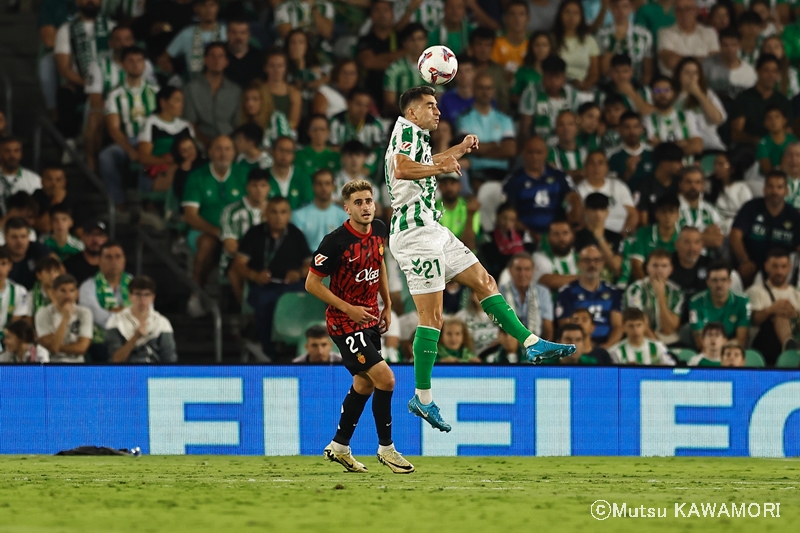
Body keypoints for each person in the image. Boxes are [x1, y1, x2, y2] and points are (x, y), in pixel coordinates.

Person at [384, 86, 575, 431]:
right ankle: (422, 399)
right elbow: (401, 169)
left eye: (437, 104)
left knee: (484, 281)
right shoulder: (406, 131)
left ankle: (531, 343)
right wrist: (441, 168)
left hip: (434, 227)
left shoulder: (418, 136)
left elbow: (421, 164)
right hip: (414, 234)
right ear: (412, 112)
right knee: (433, 318)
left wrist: (457, 149)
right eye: (430, 105)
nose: (437, 111)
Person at [304, 179, 413, 474]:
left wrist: (387, 303)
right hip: (344, 322)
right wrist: (348, 309)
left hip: (370, 318)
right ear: (347, 207)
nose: (365, 207)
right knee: (386, 379)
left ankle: (339, 446)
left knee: (364, 383)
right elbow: (311, 283)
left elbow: (379, 265)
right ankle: (387, 448)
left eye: (369, 201)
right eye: (359, 203)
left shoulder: (379, 229)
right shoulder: (335, 241)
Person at [234, 196, 310, 355]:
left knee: (307, 300)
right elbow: (239, 264)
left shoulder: (295, 234)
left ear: (289, 214)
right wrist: (255, 276)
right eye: (274, 212)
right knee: (265, 302)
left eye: (283, 212)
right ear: (266, 213)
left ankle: (300, 349)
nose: (278, 217)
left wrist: (298, 273)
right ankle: (268, 351)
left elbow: (310, 264)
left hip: (291, 285)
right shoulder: (254, 233)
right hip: (262, 286)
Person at [182, 135, 248, 316]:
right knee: (207, 244)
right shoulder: (197, 176)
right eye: (218, 148)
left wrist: (230, 234)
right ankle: (197, 294)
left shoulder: (243, 174)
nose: (223, 153)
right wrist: (219, 232)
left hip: (239, 232)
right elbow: (190, 216)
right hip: (205, 230)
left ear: (234, 153)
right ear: (210, 152)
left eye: (228, 149)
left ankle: (244, 308)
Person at [100, 46, 159, 207]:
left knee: (148, 156)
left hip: (152, 141)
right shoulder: (114, 94)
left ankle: (144, 199)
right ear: (123, 64)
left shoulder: (156, 91)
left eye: (139, 61)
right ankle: (118, 201)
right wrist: (130, 149)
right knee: (106, 157)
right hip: (128, 140)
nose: (135, 65)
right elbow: (113, 128)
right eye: (131, 61)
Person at [500, 136, 583, 238]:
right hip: (524, 237)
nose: (535, 157)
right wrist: (530, 234)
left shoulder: (559, 176)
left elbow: (574, 199)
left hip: (559, 236)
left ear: (546, 153)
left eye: (539, 152)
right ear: (523, 153)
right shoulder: (513, 180)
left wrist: (572, 225)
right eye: (530, 152)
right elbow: (507, 214)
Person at [730, 171, 800, 285]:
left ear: (786, 191)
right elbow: (735, 235)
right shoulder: (751, 208)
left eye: (779, 187)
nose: (775, 191)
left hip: (782, 269)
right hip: (752, 264)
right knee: (744, 270)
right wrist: (744, 260)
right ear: (764, 189)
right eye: (770, 186)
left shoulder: (794, 216)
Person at [555, 245, 624, 348]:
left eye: (597, 260)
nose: (592, 264)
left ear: (603, 263)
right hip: (577, 348)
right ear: (578, 264)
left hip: (608, 348)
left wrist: (604, 349)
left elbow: (618, 327)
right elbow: (566, 328)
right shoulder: (566, 293)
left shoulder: (613, 292)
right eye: (587, 260)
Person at [220, 168, 270, 306]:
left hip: (269, 258)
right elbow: (230, 246)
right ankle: (247, 310)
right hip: (238, 259)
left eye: (263, 185)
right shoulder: (231, 211)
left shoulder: (275, 210)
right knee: (235, 270)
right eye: (254, 185)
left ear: (269, 187)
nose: (259, 190)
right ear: (247, 186)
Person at [456, 75, 517, 180]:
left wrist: (479, 153)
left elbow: (509, 150)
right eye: (481, 88)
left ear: (493, 91)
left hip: (501, 173)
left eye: (488, 88)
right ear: (473, 89)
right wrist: (496, 145)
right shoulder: (464, 118)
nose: (485, 92)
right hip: (474, 174)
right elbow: (466, 147)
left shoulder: (504, 119)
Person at [105, 275, 176, 364]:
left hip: (154, 373)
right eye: (138, 294)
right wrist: (135, 337)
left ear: (152, 297)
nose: (142, 299)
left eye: (146, 295)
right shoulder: (115, 321)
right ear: (130, 296)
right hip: (125, 373)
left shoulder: (162, 323)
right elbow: (115, 360)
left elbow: (169, 359)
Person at [78, 241, 131, 362]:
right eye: (108, 257)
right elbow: (96, 316)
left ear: (124, 261)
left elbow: (144, 312)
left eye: (118, 257)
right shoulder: (88, 287)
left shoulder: (135, 284)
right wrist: (124, 314)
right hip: (99, 343)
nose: (114, 261)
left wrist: (113, 311)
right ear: (99, 261)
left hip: (131, 340)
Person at [182, 42, 241, 148]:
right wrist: (208, 144)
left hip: (229, 144)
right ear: (205, 60)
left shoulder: (235, 91)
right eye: (212, 56)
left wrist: (226, 144)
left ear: (226, 62)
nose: (216, 60)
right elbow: (190, 123)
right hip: (200, 144)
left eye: (220, 56)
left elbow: (238, 124)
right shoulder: (191, 88)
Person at [746, 248, 800, 364]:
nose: (779, 271)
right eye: (775, 266)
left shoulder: (796, 294)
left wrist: (795, 315)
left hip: (794, 335)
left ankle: (790, 347)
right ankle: (789, 348)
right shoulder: (755, 291)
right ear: (766, 266)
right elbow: (754, 320)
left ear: (789, 267)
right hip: (763, 345)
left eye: (783, 266)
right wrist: (771, 309)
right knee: (779, 316)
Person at [624, 248, 683, 345]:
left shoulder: (677, 292)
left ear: (670, 269)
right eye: (655, 265)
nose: (659, 270)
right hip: (642, 337)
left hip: (668, 337)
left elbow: (669, 328)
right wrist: (659, 347)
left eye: (664, 266)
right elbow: (639, 325)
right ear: (647, 268)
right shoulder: (635, 290)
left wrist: (660, 296)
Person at [731, 54, 790, 147]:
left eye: (774, 71)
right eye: (766, 71)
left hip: (776, 148)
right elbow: (736, 133)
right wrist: (756, 140)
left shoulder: (783, 101)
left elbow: (788, 131)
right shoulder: (744, 98)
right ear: (758, 71)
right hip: (750, 147)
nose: (770, 75)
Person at [137, 87, 196, 181]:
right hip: (158, 173)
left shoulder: (186, 126)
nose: (181, 105)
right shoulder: (150, 124)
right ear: (163, 103)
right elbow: (143, 157)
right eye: (177, 100)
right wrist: (168, 161)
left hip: (185, 169)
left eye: (182, 101)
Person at [575, 151, 638, 235]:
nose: (596, 167)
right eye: (592, 163)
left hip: (621, 234)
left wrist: (625, 231)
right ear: (585, 167)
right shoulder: (577, 190)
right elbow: (578, 220)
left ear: (607, 167)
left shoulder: (619, 186)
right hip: (592, 236)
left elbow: (633, 214)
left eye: (600, 163)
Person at [689, 262, 751, 349]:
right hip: (706, 351)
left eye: (723, 280)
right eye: (714, 280)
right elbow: (699, 341)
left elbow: (741, 340)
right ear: (708, 282)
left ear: (730, 281)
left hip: (732, 351)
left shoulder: (742, 301)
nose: (719, 284)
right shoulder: (696, 302)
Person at [357, 0, 404, 111]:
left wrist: (380, 59)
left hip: (398, 93)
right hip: (372, 92)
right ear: (371, 16)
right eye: (377, 10)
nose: (382, 14)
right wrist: (399, 57)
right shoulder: (365, 39)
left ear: (393, 14)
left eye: (386, 10)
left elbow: (413, 56)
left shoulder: (402, 38)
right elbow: (369, 63)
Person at [673, 57, 728, 152]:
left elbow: (717, 120)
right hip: (683, 147)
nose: (692, 76)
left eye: (695, 73)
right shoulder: (671, 97)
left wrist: (698, 93)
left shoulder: (708, 94)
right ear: (678, 75)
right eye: (687, 72)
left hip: (710, 145)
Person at [35, 274, 93, 363]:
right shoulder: (44, 313)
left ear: (77, 293)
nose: (67, 296)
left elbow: (82, 348)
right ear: (54, 293)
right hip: (52, 363)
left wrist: (58, 347)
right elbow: (53, 349)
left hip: (78, 364)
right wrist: (65, 318)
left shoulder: (85, 313)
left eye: (71, 291)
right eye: (63, 291)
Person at [519, 55, 579, 141]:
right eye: (549, 77)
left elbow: (577, 121)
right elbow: (525, 126)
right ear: (543, 76)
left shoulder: (572, 94)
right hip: (539, 142)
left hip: (564, 142)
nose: (553, 81)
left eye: (557, 77)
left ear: (564, 78)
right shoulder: (531, 92)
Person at [163, 0, 226, 79]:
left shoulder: (227, 33)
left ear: (217, 8)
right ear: (196, 9)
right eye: (203, 5)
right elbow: (163, 59)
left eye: (212, 5)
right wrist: (176, 78)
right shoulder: (186, 34)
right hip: (193, 84)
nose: (208, 9)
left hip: (223, 83)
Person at [497, 253, 554, 341]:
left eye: (527, 269)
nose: (522, 274)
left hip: (537, 344)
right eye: (518, 269)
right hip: (508, 344)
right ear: (510, 271)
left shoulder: (543, 292)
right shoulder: (499, 293)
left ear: (533, 271)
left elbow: (548, 327)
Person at [644, 76, 704, 157]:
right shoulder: (647, 120)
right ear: (652, 95)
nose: (662, 94)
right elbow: (651, 149)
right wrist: (683, 143)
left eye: (666, 90)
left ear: (673, 93)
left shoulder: (688, 116)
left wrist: (662, 145)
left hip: (686, 168)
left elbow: (697, 147)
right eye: (657, 90)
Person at [627, 194, 681, 283]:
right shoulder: (643, 233)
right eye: (663, 211)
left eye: (671, 211)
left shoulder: (683, 236)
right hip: (644, 284)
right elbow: (636, 267)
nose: (667, 216)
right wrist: (649, 289)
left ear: (678, 215)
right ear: (657, 214)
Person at [657, 0, 719, 77]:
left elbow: (714, 63)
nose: (684, 13)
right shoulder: (664, 33)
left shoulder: (709, 33)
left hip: (703, 84)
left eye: (688, 9)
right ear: (675, 12)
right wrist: (702, 59)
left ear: (696, 11)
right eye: (679, 10)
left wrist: (680, 59)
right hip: (673, 84)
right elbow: (671, 61)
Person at [596, 0, 653, 83]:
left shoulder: (644, 35)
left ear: (631, 8)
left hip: (636, 84)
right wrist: (613, 44)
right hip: (608, 86)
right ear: (610, 8)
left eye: (625, 6)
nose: (620, 11)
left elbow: (648, 70)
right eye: (616, 7)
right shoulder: (601, 34)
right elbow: (602, 71)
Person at [292, 169, 348, 251]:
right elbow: (296, 247)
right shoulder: (298, 216)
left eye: (327, 183)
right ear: (313, 186)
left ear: (333, 187)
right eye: (319, 184)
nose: (323, 187)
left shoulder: (344, 217)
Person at [329, 89, 385, 170]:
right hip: (341, 167)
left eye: (366, 106)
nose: (362, 110)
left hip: (366, 168)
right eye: (358, 104)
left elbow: (377, 151)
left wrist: (367, 167)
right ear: (348, 103)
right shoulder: (336, 122)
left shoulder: (375, 125)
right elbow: (333, 149)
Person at [384, 23, 430, 117]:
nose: (416, 43)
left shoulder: (432, 68)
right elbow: (389, 103)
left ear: (426, 41)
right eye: (412, 40)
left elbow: (439, 96)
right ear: (405, 43)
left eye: (420, 39)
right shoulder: (394, 68)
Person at [574, 193, 624, 280]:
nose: (598, 214)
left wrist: (600, 238)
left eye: (602, 209)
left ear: (607, 212)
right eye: (594, 209)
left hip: (609, 286)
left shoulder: (616, 237)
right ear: (585, 211)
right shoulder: (576, 236)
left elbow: (616, 267)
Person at [552, 0, 600, 91]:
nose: (571, 17)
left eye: (576, 13)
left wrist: (584, 86)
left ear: (581, 16)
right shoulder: (551, 40)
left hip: (582, 87)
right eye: (567, 12)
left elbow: (594, 73)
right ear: (560, 15)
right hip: (556, 87)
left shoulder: (589, 40)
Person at [478, 203, 534, 280]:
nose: (507, 223)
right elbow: (493, 259)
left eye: (512, 220)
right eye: (504, 218)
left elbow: (529, 255)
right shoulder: (488, 237)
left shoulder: (523, 235)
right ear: (497, 216)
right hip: (497, 277)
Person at [633, 142, 683, 225]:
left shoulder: (680, 183)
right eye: (678, 162)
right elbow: (643, 219)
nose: (681, 165)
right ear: (665, 164)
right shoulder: (645, 185)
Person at [702, 27, 757, 101]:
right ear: (719, 45)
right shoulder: (707, 66)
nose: (729, 49)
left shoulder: (749, 71)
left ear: (739, 45)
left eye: (733, 45)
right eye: (725, 45)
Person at [677, 166, 724, 250]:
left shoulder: (711, 210)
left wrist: (688, 238)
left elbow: (718, 240)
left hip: (707, 260)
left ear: (703, 185)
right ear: (680, 184)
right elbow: (673, 239)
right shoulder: (672, 209)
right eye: (688, 182)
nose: (693, 186)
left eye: (697, 182)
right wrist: (705, 235)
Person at [706, 152, 754, 234]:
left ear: (732, 168)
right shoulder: (709, 185)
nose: (716, 168)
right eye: (715, 164)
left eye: (721, 164)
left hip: (735, 227)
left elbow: (748, 213)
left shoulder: (742, 188)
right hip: (714, 225)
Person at [238, 81, 293, 151]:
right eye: (247, 99)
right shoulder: (246, 124)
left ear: (264, 100)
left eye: (255, 99)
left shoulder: (277, 118)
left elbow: (286, 147)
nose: (250, 104)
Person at [609, 307, 674, 365]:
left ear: (645, 326)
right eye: (631, 326)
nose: (635, 330)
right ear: (624, 328)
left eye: (639, 325)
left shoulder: (658, 346)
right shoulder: (615, 351)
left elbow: (672, 370)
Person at [468, 26, 511, 114]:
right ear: (471, 47)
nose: (483, 50)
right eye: (479, 44)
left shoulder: (498, 70)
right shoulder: (463, 68)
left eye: (487, 45)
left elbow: (504, 100)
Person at [607, 112, 654, 190]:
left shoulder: (652, 152)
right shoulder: (612, 155)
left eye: (636, 127)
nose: (632, 131)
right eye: (627, 127)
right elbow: (611, 186)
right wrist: (628, 172)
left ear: (641, 129)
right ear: (620, 129)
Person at [266, 136, 313, 210]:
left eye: (288, 151)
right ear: (272, 151)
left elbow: (307, 204)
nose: (284, 154)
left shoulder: (303, 178)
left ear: (294, 155)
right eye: (280, 150)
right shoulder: (263, 176)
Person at [532, 219, 579, 293]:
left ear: (572, 237)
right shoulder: (539, 257)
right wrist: (584, 279)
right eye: (556, 234)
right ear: (548, 238)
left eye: (565, 233)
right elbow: (547, 281)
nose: (561, 238)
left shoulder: (582, 257)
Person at [6, 218, 52, 290]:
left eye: (23, 236)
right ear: (6, 237)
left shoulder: (39, 250)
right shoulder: (1, 254)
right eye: (14, 237)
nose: (19, 241)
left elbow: (58, 269)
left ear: (29, 236)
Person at [262, 50, 302, 131]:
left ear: (285, 68)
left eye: (280, 66)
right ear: (265, 68)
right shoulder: (258, 90)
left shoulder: (294, 93)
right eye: (272, 66)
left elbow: (293, 124)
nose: (276, 70)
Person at [0, 137, 42, 213]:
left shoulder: (34, 179)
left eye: (16, 151)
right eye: (7, 151)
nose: (12, 155)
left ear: (21, 154)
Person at [0, 246, 31, 344]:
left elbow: (14, 325)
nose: (0, 269)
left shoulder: (19, 291)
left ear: (10, 266)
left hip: (7, 343)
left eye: (4, 264)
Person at [491, 1, 529, 78]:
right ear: (505, 18)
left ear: (528, 18)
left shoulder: (534, 42)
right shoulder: (495, 41)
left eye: (521, 14)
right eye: (512, 14)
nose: (517, 19)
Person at [63, 220, 108, 285]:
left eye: (99, 235)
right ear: (83, 237)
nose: (95, 239)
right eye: (90, 234)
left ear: (105, 239)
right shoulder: (70, 264)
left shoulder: (111, 264)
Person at [547, 110, 587, 181]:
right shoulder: (550, 153)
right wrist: (578, 173)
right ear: (556, 129)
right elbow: (552, 177)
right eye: (561, 124)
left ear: (577, 128)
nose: (566, 128)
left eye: (570, 124)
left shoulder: (585, 152)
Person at [223, 18, 263, 89]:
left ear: (249, 35)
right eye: (234, 32)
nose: (238, 37)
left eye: (243, 33)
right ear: (227, 34)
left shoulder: (259, 57)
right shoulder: (219, 55)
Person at [32, 167, 74, 235]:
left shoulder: (72, 199)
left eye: (58, 180)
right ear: (42, 181)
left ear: (65, 182)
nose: (53, 184)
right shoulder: (35, 198)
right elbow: (44, 227)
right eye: (49, 179)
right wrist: (55, 202)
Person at [757, 105, 796, 175]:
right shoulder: (763, 142)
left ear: (784, 120)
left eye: (777, 117)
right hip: (767, 179)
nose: (773, 121)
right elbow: (767, 170)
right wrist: (781, 167)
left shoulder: (793, 140)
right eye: (769, 118)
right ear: (765, 123)